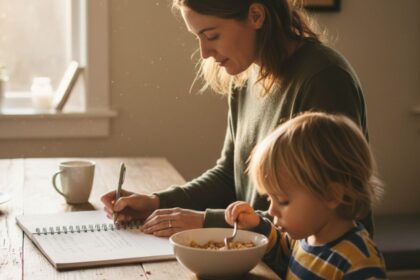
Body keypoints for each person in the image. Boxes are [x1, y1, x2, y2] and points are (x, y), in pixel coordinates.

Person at [101, 0, 373, 237]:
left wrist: (206, 222)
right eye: (198, 36)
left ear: (256, 16)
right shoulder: (245, 75)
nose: (204, 52)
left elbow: (320, 210)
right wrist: (156, 202)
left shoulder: (324, 79)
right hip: (259, 254)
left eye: (212, 35)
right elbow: (229, 175)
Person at [225, 112, 386, 279]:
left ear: (331, 196)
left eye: (283, 201)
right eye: (269, 199)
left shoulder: (358, 263)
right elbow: (279, 248)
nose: (271, 210)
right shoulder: (304, 237)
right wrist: (256, 225)